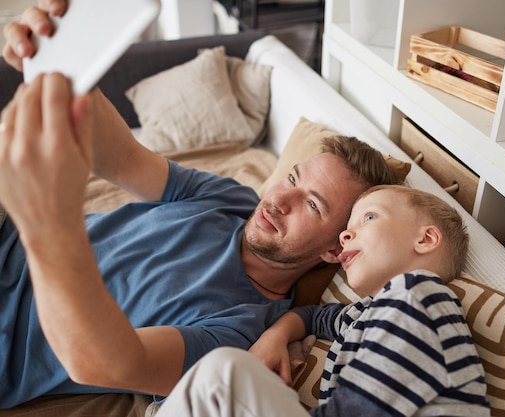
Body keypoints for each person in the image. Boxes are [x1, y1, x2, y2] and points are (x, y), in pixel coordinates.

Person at [0, 3, 399, 409]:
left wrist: (47, 224)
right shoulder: (233, 200)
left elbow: (103, 362)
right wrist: (63, 65)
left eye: (311, 205)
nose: (278, 199)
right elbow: (124, 159)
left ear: (333, 249)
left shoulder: (239, 330)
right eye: (292, 178)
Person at [154, 185, 490, 417]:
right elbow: (313, 316)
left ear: (425, 239)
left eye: (369, 218)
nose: (345, 235)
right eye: (346, 228)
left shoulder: (419, 298)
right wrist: (276, 335)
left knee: (225, 372)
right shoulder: (368, 312)